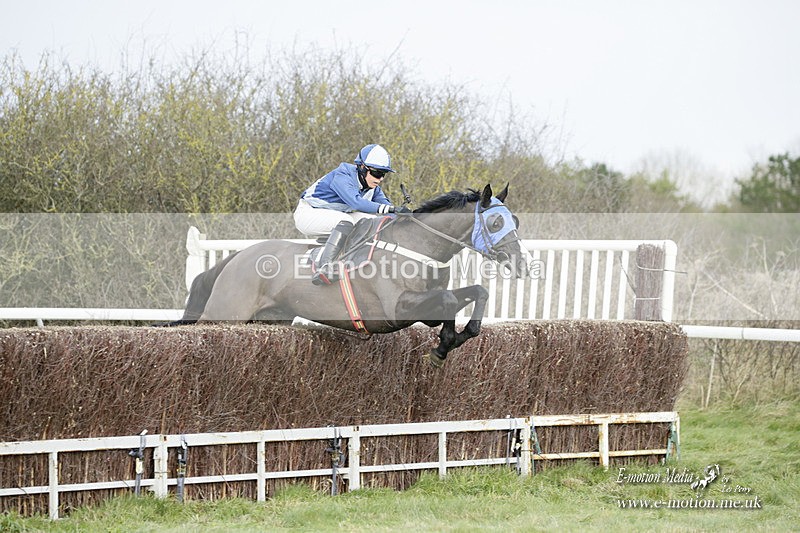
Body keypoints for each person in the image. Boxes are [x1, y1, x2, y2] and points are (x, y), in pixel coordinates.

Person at [293, 144, 407, 285]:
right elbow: (356, 203)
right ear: (362, 168)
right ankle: (324, 267)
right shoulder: (343, 176)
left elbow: (388, 210)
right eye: (377, 173)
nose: (381, 179)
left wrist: (406, 218)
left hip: (335, 215)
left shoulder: (373, 187)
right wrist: (391, 210)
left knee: (372, 221)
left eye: (383, 174)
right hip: (308, 213)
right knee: (345, 220)